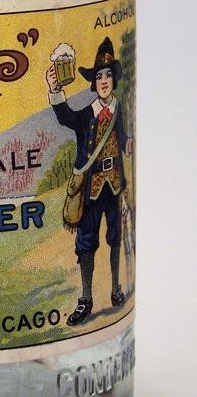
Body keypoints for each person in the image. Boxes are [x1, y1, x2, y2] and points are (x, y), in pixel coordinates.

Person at [45, 37, 133, 326]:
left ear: (114, 80)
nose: (104, 81)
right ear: (94, 84)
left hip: (114, 185)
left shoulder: (119, 109)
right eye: (99, 77)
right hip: (91, 187)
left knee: (115, 237)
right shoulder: (88, 115)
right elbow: (66, 117)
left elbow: (123, 136)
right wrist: (55, 90)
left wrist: (129, 143)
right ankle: (86, 298)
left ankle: (116, 288)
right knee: (86, 243)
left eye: (108, 75)